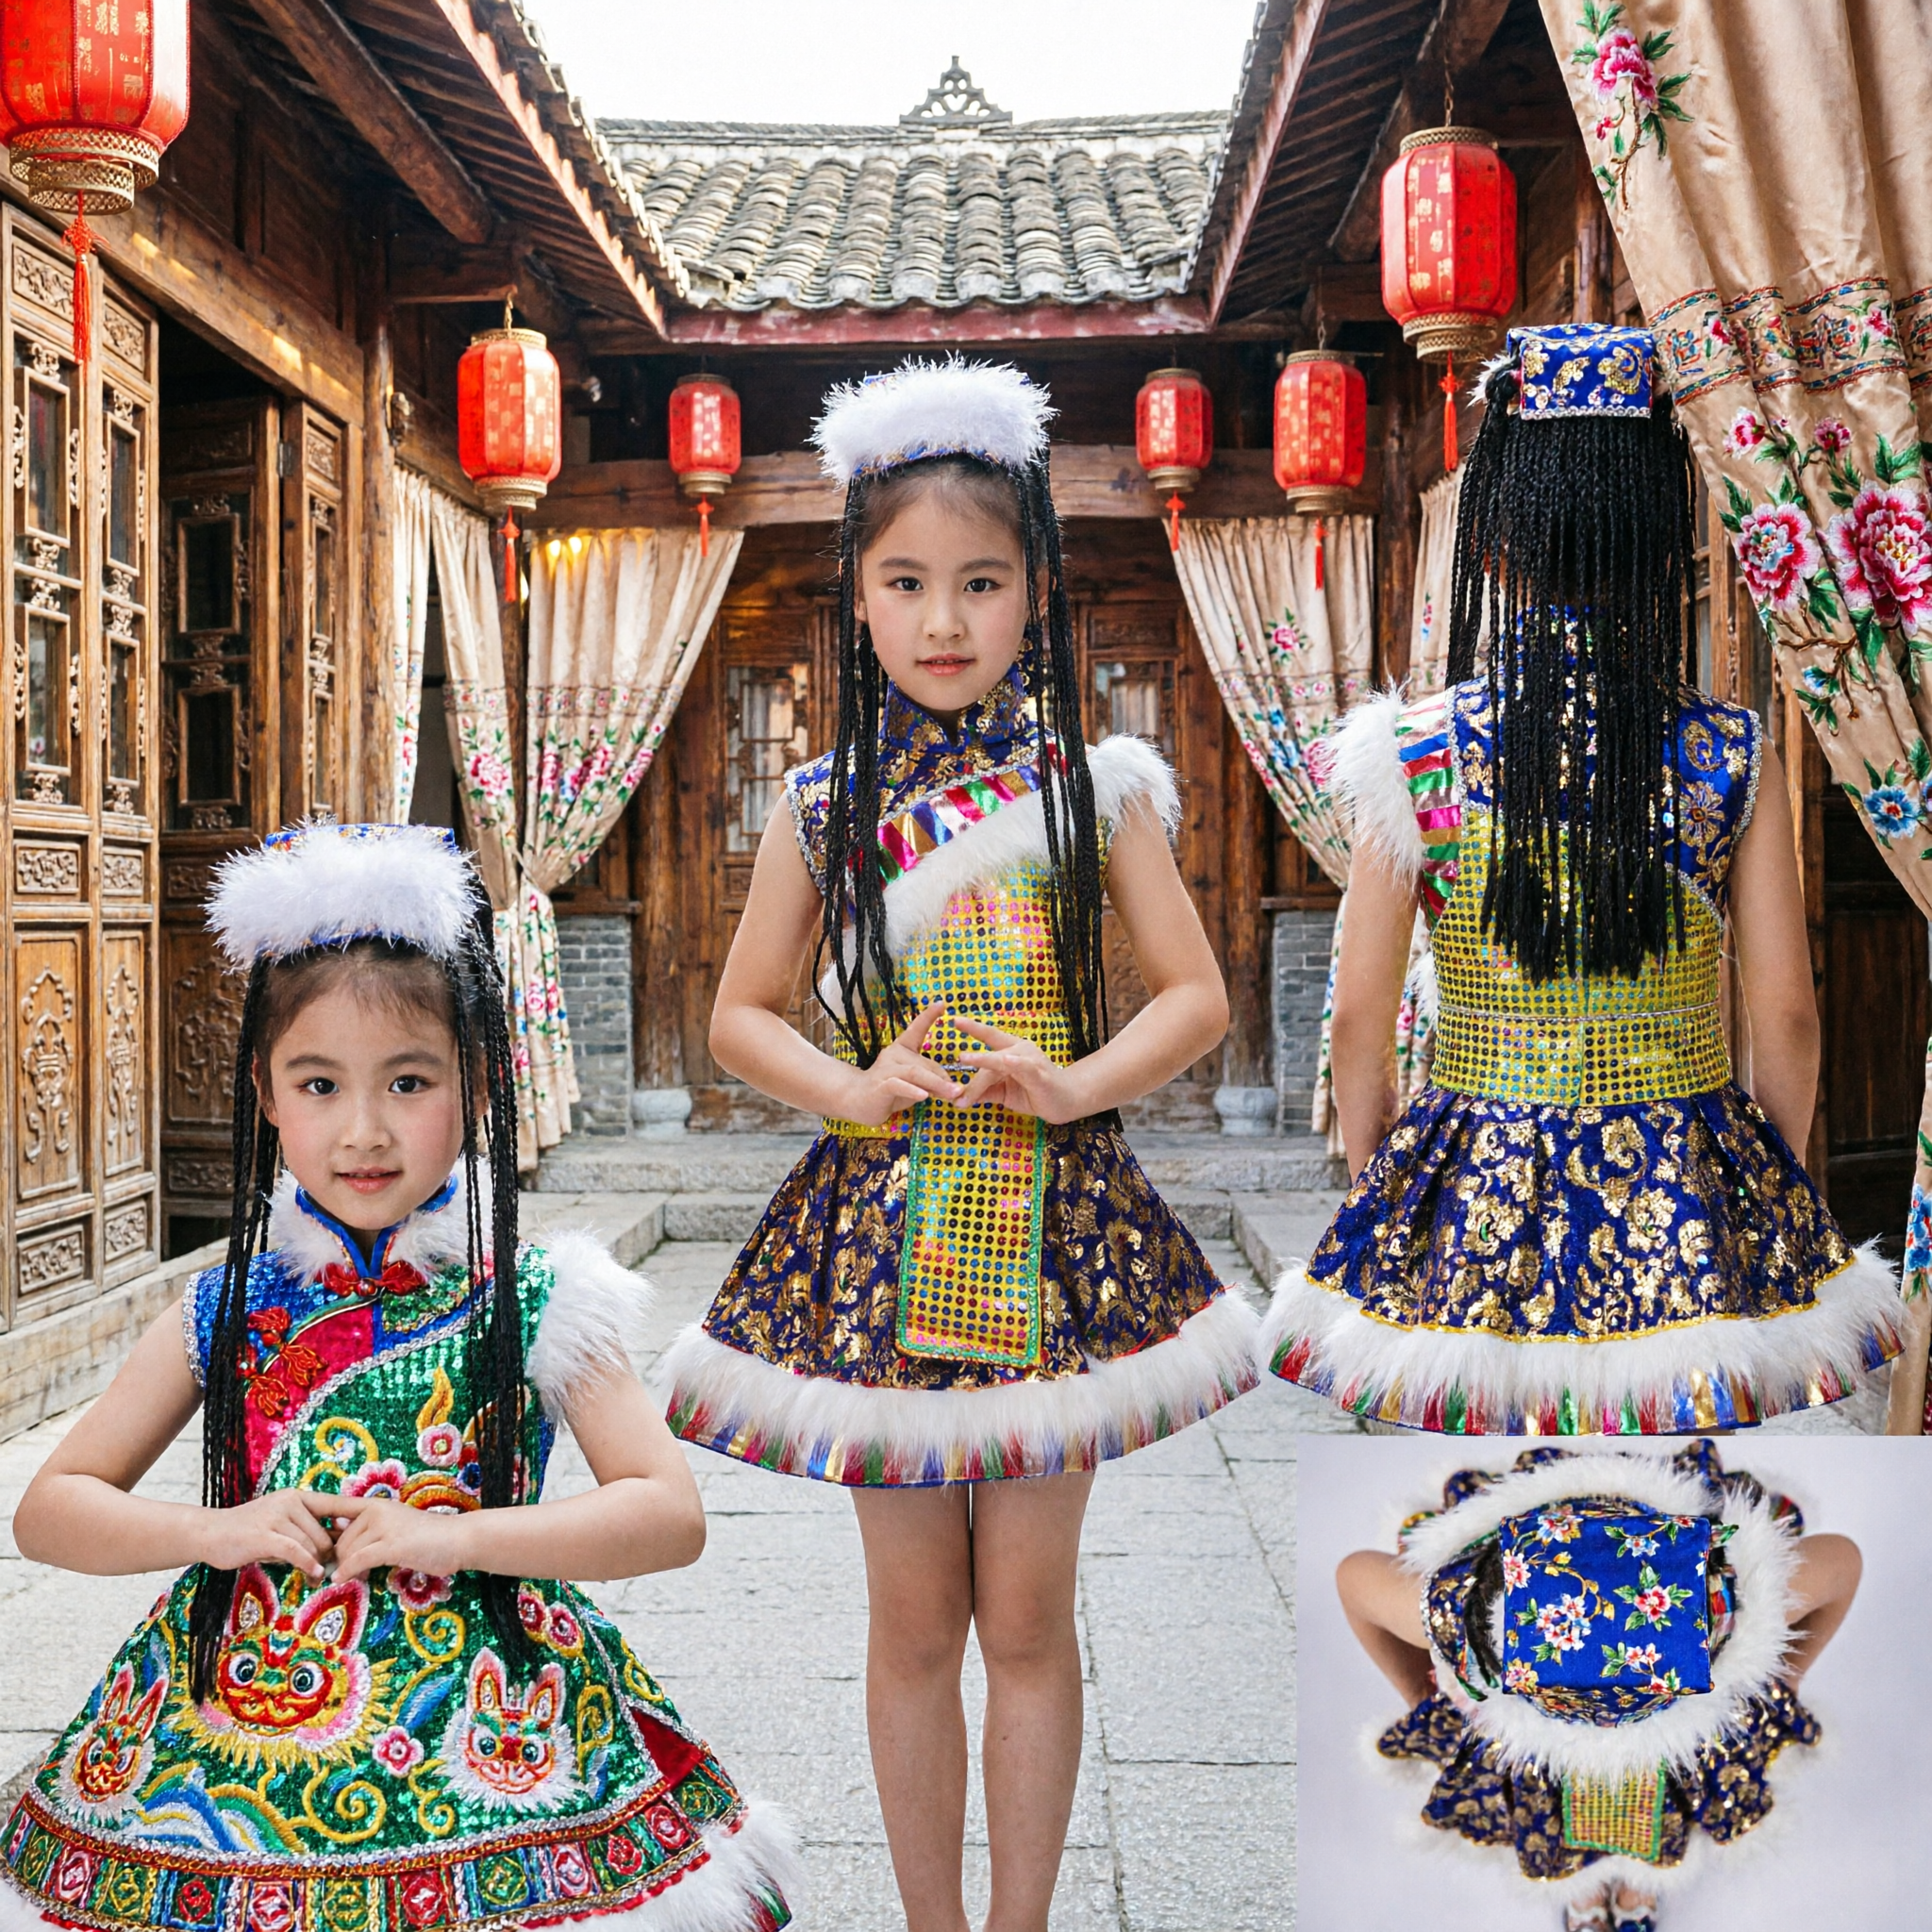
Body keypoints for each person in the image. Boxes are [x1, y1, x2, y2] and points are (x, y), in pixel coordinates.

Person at [660, 358, 1256, 1932]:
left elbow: (1193, 995)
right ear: (853, 598)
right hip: (879, 1234)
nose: (942, 620)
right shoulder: (816, 801)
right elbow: (743, 1015)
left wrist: (1069, 1085)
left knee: (1029, 1617)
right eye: (906, 581)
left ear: (1032, 598)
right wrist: (853, 1091)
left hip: (1049, 1227)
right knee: (913, 1618)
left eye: (979, 583)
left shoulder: (1090, 790)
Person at [0, 824, 796, 1932]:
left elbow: (665, 1513)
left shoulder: (540, 1295)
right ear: (265, 1093)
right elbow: (49, 1509)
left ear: (477, 1086)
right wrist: (215, 1532)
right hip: (233, 1718)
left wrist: (458, 1537)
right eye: (318, 1082)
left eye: (409, 1080)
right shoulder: (229, 1304)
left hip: (492, 1722)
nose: (364, 1130)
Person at [1262, 324, 1904, 1434]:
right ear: (1663, 541)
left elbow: (1358, 1016)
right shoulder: (1726, 750)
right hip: (1679, 1185)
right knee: (1673, 1505)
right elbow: (1787, 1014)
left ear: (1493, 546)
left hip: (1474, 1177)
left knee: (1488, 1512)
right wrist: (1764, 1177)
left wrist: (1382, 1182)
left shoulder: (1410, 755)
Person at [1336, 1440, 1861, 1930]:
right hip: (1647, 1694)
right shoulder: (1741, 1605)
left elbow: (1355, 1577)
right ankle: (1590, 1891)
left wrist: (1427, 1697)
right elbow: (1843, 1561)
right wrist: (1779, 1681)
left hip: (1576, 1708)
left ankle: (1633, 1887)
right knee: (1585, 1806)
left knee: (1640, 1809)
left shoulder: (1466, 1621)